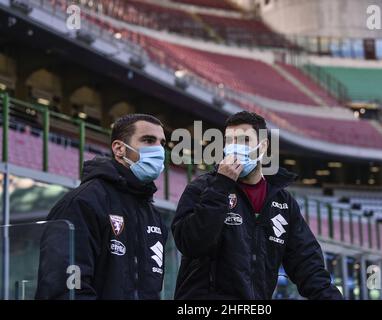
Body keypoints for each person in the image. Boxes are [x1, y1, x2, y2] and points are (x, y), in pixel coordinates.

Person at [172, 111, 343, 300]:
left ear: (263, 146)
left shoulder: (283, 203)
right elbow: (191, 244)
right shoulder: (202, 188)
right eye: (230, 141)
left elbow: (307, 264)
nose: (235, 147)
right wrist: (221, 186)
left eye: (245, 140)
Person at [36, 114, 167, 299]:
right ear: (119, 148)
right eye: (148, 140)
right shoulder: (82, 203)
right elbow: (65, 290)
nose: (159, 150)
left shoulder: (153, 215)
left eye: (162, 143)